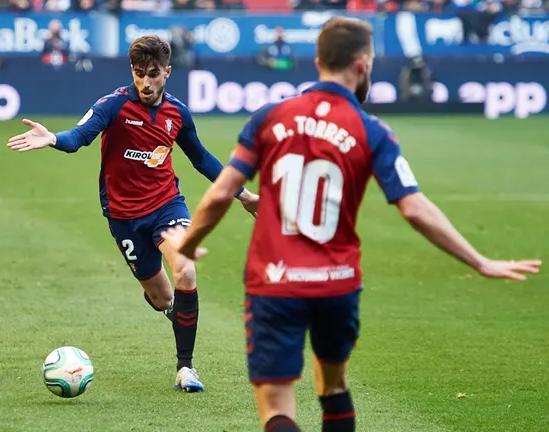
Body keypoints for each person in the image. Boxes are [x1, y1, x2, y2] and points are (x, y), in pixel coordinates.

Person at [161, 17, 541, 431]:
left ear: (319, 59)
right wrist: (478, 261)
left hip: (274, 282)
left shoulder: (270, 117)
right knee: (333, 385)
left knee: (276, 402)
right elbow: (414, 208)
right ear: (362, 64)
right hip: (337, 283)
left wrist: (188, 241)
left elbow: (220, 193)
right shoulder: (371, 128)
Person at [6, 35, 259, 392]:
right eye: (139, 73)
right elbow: (80, 136)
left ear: (167, 72)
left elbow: (200, 158)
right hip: (123, 217)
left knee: (185, 269)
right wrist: (53, 139)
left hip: (166, 205)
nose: (145, 82)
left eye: (153, 73)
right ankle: (173, 309)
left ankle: (185, 369)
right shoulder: (113, 106)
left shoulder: (177, 113)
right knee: (162, 299)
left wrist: (245, 194)